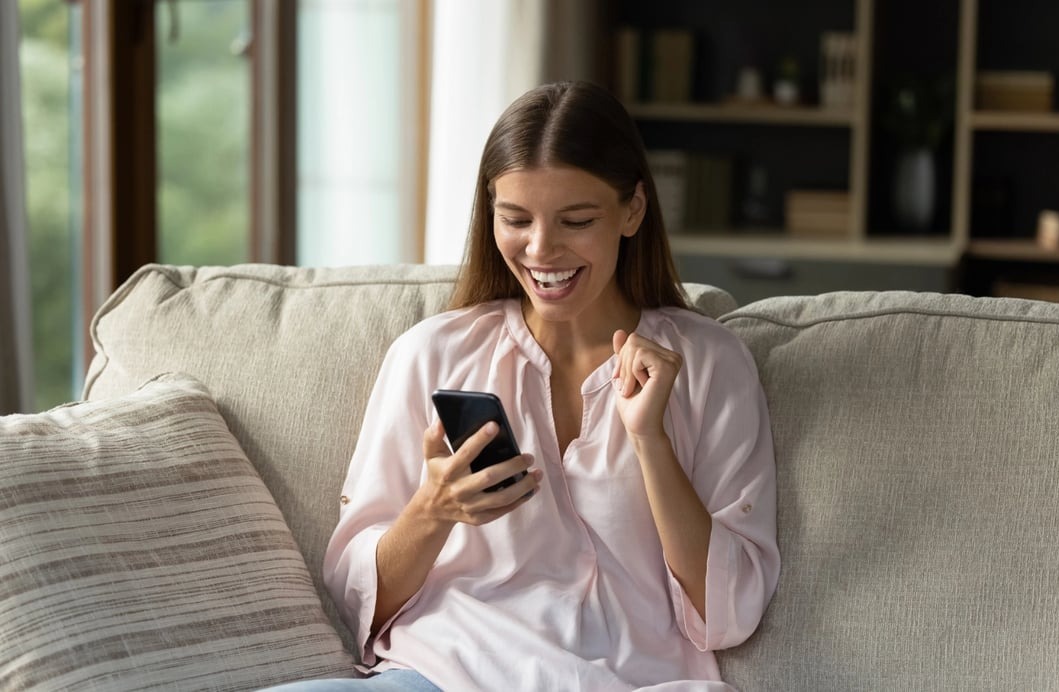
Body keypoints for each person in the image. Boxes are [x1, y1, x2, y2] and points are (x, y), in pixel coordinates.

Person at [271, 80, 779, 691]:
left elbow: (730, 613)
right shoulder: (430, 354)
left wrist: (649, 441)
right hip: (443, 673)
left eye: (576, 220)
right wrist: (433, 511)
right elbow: (360, 604)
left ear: (632, 211)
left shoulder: (708, 362)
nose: (541, 250)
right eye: (515, 219)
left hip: (631, 681)